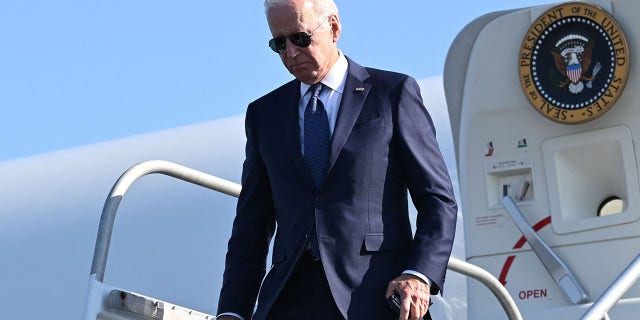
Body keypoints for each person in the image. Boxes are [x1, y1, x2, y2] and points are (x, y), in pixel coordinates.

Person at [217, 0, 457, 319]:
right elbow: (251, 226)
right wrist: (232, 312)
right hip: (290, 301)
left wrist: (419, 274)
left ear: (333, 27)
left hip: (376, 296)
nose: (290, 52)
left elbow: (437, 199)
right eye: (279, 43)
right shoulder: (264, 115)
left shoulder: (392, 94)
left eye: (300, 38)